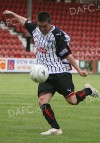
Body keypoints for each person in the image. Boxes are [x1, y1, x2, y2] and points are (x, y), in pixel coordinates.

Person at [3, 10, 100, 135]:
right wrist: (12, 14)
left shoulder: (57, 35)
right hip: (45, 75)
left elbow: (68, 55)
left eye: (45, 26)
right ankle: (56, 128)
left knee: (73, 101)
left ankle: (89, 90)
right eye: (40, 26)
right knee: (42, 101)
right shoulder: (35, 29)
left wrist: (79, 70)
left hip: (60, 72)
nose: (42, 28)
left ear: (50, 23)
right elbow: (24, 21)